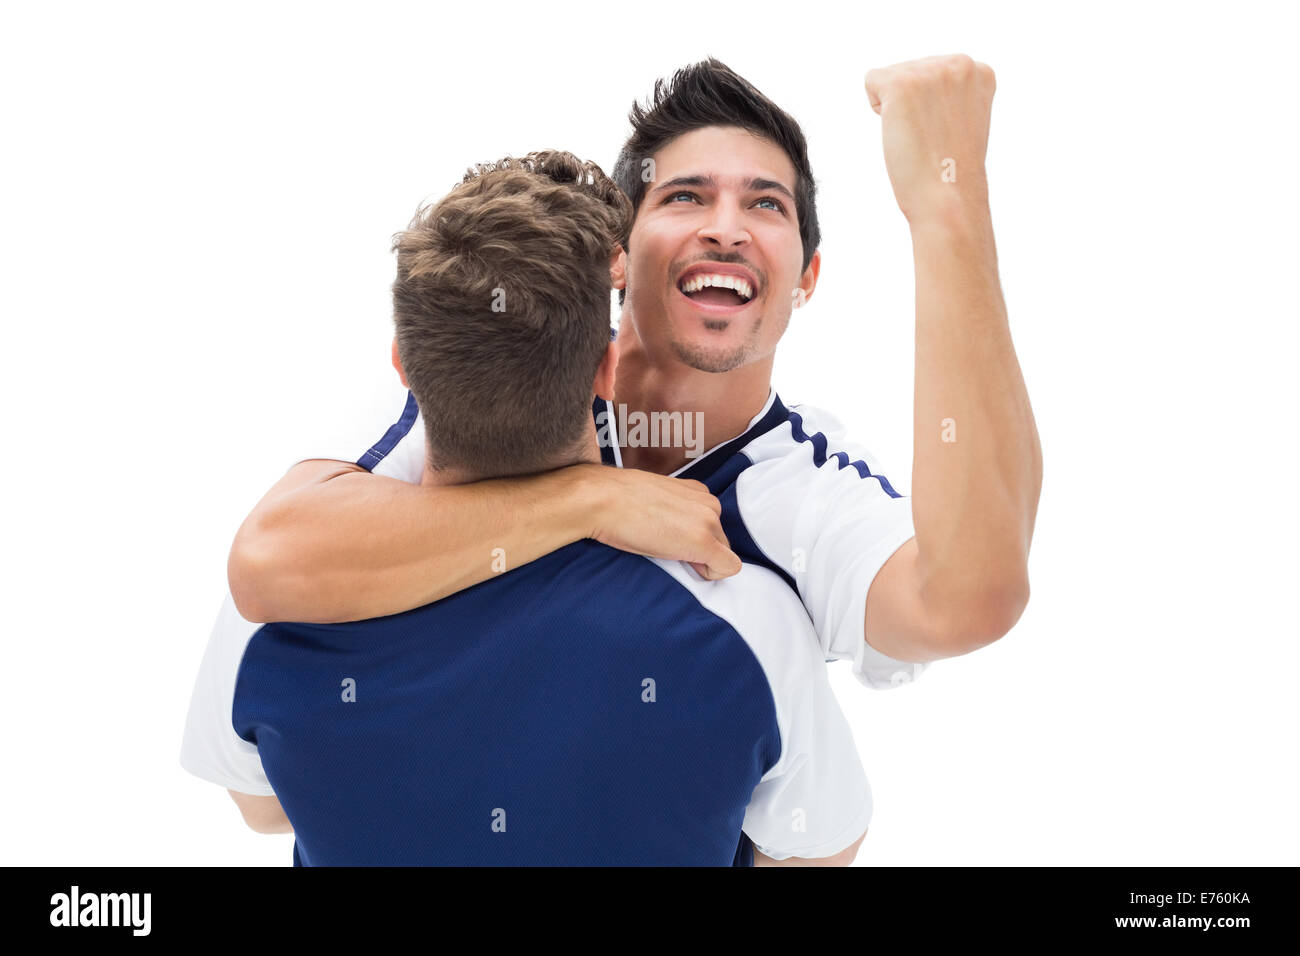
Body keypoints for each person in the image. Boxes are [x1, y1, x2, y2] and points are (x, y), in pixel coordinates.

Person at [226, 56, 1041, 685]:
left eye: (767, 204)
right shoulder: (491, 366)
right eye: (685, 196)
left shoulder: (800, 496)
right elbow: (268, 563)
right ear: (618, 256)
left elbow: (967, 598)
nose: (726, 228)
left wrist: (947, 205)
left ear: (807, 279)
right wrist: (593, 498)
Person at [181, 151, 872, 866]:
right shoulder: (746, 619)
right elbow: (816, 848)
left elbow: (262, 808)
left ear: (402, 366)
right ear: (607, 372)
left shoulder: (283, 601)